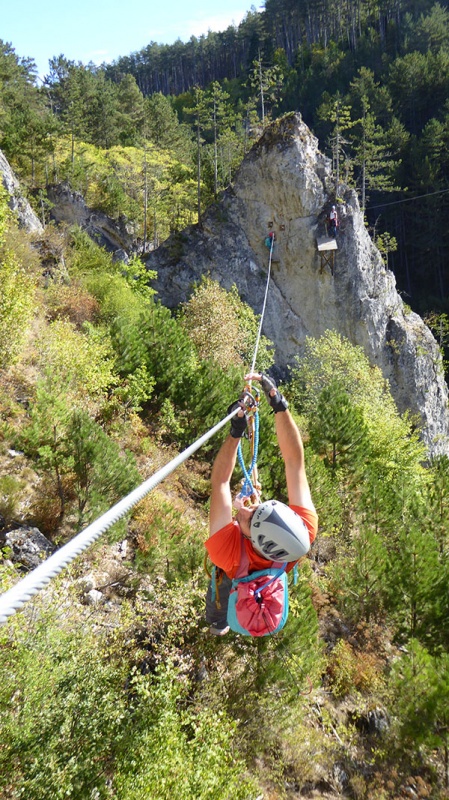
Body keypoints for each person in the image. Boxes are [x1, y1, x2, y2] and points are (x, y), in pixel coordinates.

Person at [205, 372, 318, 635]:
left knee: (219, 589)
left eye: (247, 517)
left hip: (235, 569)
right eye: (258, 507)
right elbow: (294, 462)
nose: (245, 508)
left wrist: (235, 433)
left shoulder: (226, 551)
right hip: (268, 573)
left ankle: (217, 624)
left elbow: (220, 482)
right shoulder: (302, 531)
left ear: (255, 540)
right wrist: (278, 403)